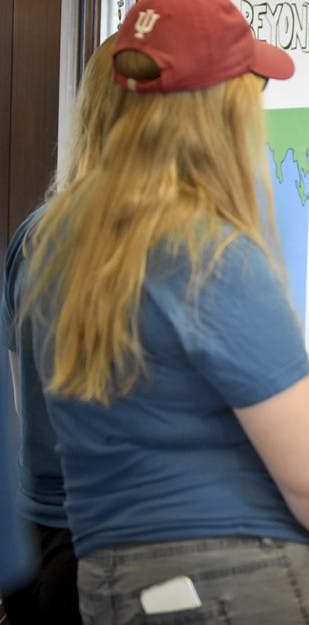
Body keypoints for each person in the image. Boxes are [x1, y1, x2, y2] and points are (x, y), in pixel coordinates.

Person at [13, 0, 309, 623]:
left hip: (110, 577)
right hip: (232, 582)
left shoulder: (52, 242)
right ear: (220, 111)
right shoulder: (210, 253)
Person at [1, 33, 123, 625]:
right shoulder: (152, 243)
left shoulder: (34, 232)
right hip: (107, 541)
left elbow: (18, 378)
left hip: (35, 526)